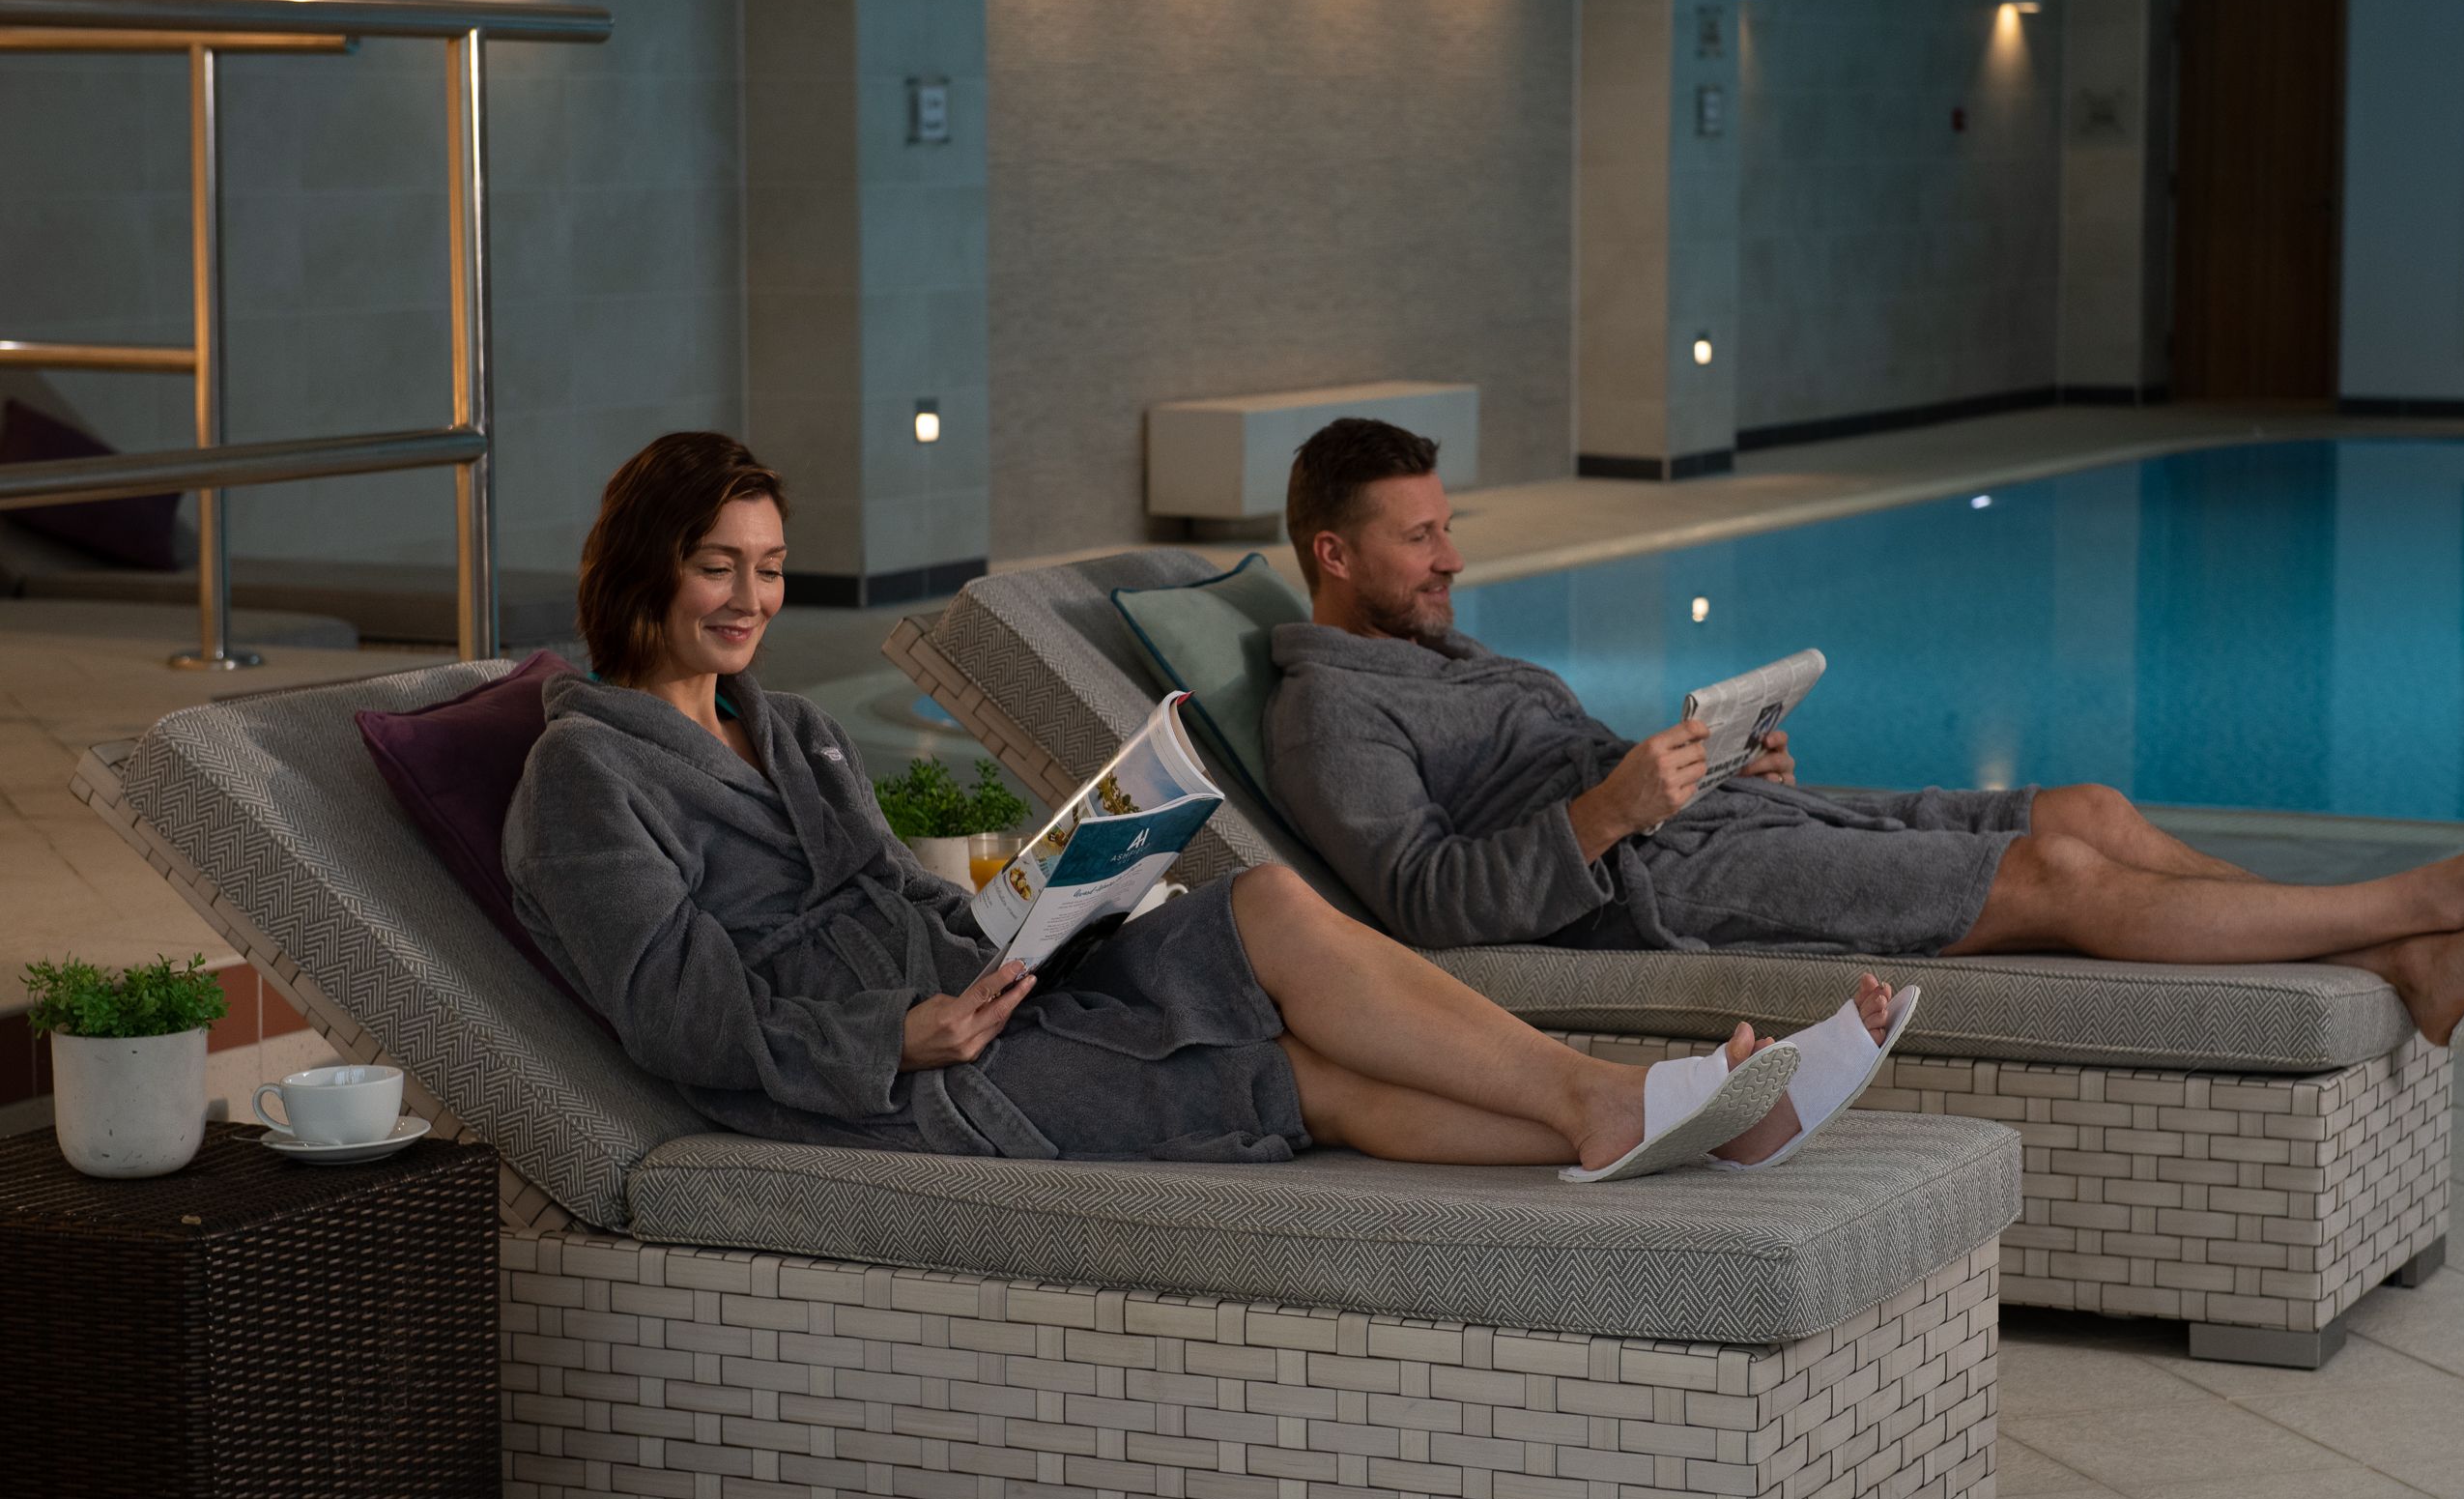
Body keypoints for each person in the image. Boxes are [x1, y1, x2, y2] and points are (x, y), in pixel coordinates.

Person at [503, 432, 1904, 1184]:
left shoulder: (787, 727)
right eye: (717, 568)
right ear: (644, 570)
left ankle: (1639, 1111)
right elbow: (675, 1013)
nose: (752, 600)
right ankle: (1645, 1111)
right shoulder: (591, 773)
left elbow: (902, 894)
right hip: (881, 1080)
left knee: (1265, 905)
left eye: (769, 568)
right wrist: (900, 1032)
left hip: (975, 989)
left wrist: (1052, 905)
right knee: (1304, 1085)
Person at [1260, 418, 2464, 1054]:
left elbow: (1555, 769)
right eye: (1419, 537)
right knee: (2056, 883)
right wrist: (1613, 813)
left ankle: (2420, 961)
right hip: (1650, 893)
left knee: (2085, 812)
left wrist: (1714, 760)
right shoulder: (1331, 708)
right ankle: (2429, 903)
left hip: (1707, 825)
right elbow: (1430, 907)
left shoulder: (1435, 647)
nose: (1448, 559)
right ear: (1333, 552)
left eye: (1446, 528)